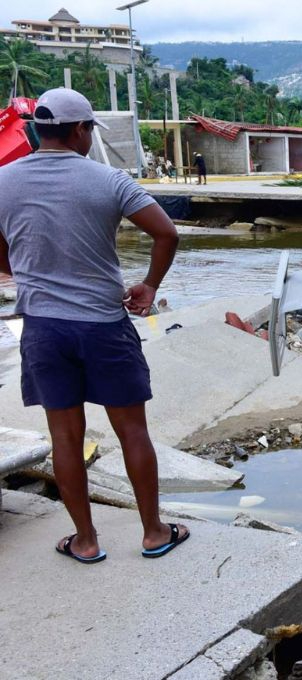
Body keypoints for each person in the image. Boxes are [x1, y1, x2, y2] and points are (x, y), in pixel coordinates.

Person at [0, 88, 187, 564]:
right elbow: (166, 233)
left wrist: (19, 270)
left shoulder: (3, 180)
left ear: (39, 129)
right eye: (89, 131)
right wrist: (147, 286)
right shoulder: (108, 179)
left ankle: (85, 541)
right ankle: (153, 532)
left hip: (42, 327)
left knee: (65, 437)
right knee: (132, 432)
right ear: (81, 129)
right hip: (104, 325)